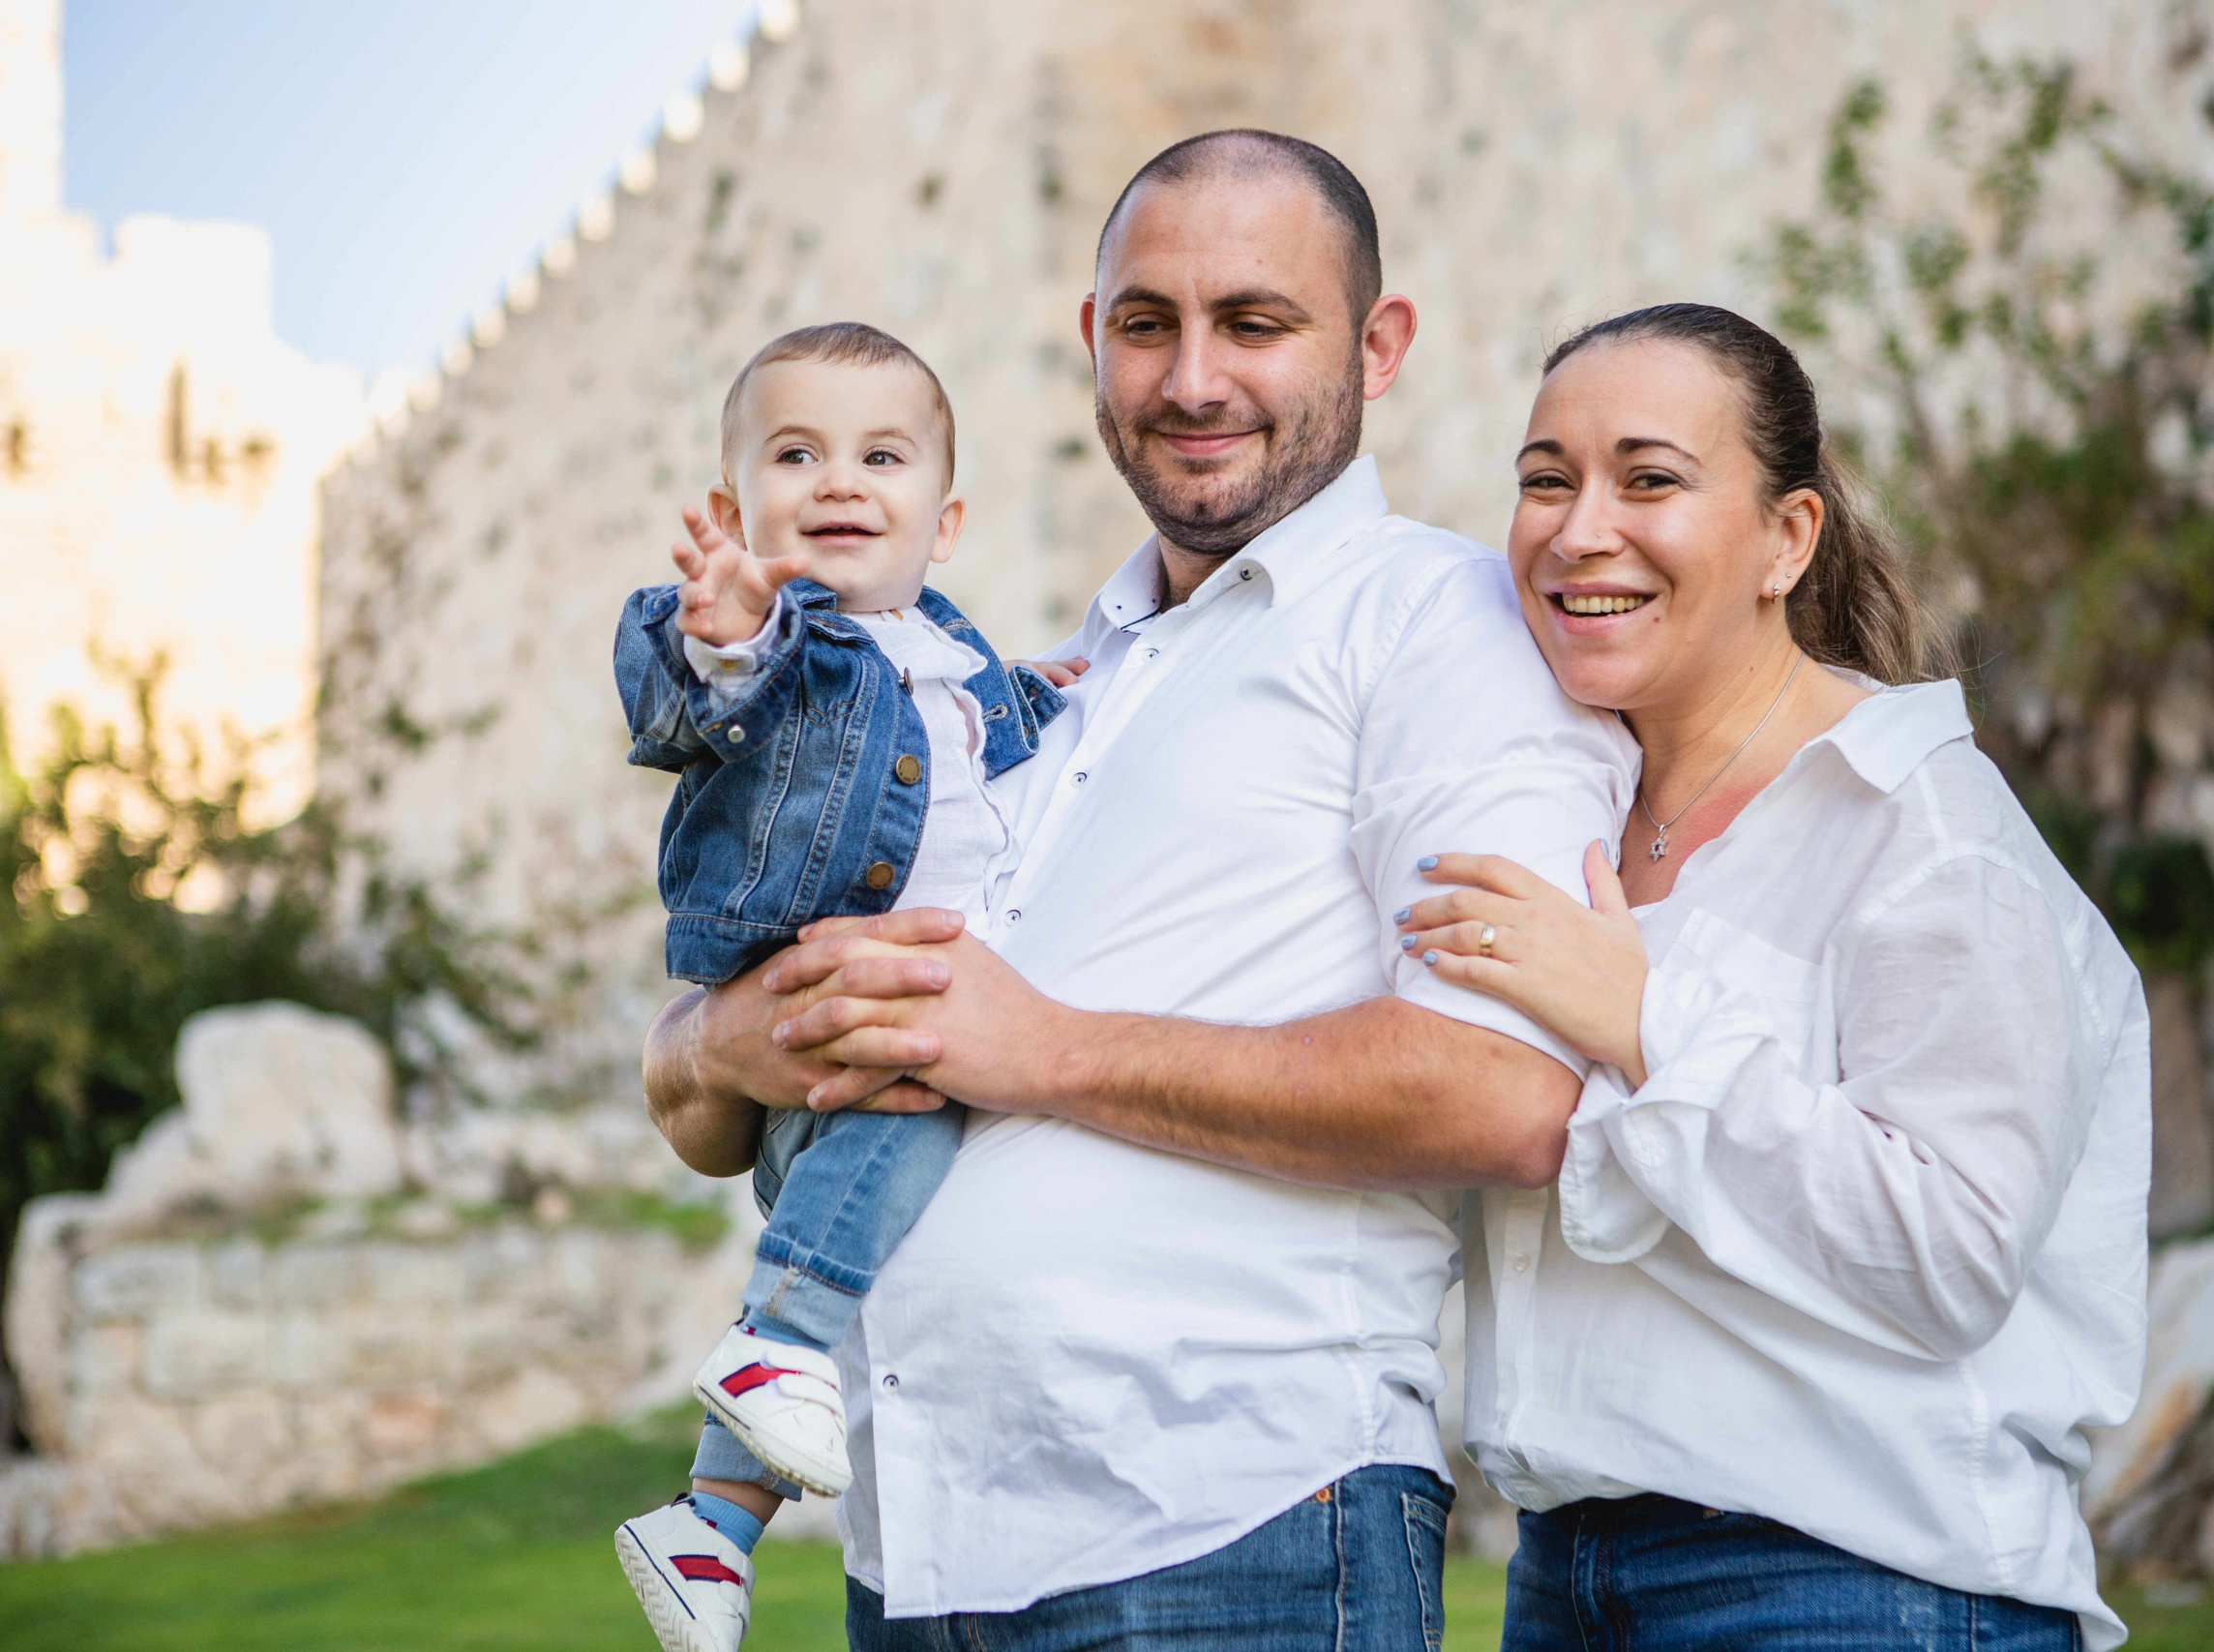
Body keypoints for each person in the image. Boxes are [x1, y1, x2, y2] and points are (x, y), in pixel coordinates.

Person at [639, 131, 1635, 1650]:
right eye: (1149, 324)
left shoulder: (1446, 628)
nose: (1193, 379)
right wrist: (720, 1043)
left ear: (1379, 347)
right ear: (1091, 341)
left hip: (1232, 1540)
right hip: (918, 1564)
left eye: (1255, 322)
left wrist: (1041, 1047)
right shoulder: (1034, 688)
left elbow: (1500, 1095)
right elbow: (703, 1106)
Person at [1391, 303, 2150, 1650]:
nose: (1580, 529)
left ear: (1787, 538)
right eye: (1547, 480)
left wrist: (1645, 1021)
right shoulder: (1560, 817)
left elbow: (1953, 1252)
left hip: (1858, 1583)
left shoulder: (1922, 832)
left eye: (1650, 480)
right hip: (1566, 1579)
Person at [606, 321, 1075, 1652]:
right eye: (797, 455)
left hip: (902, 1016)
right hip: (842, 1009)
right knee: (914, 1116)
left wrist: (1051, 699)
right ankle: (775, 1339)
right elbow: (693, 701)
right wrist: (726, 635)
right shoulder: (779, 641)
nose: (839, 483)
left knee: (868, 1224)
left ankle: (709, 1525)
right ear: (731, 508)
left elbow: (991, 759)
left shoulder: (955, 655)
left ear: (947, 519)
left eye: (881, 457)